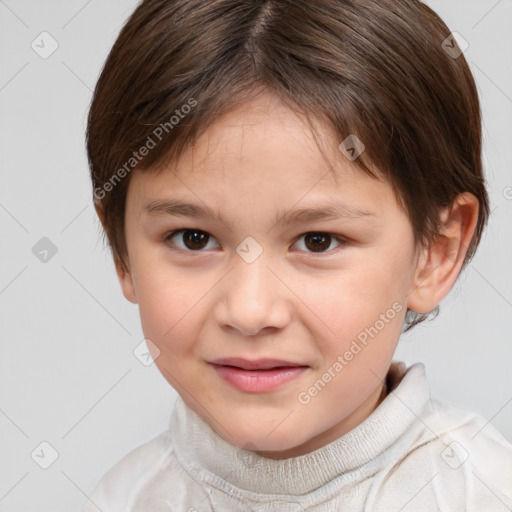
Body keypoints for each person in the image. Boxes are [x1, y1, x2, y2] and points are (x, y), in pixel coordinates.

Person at [84, 0, 512, 510]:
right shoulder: (120, 499)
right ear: (123, 252)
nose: (249, 311)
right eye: (193, 238)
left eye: (317, 241)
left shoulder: (482, 493)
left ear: (435, 253)